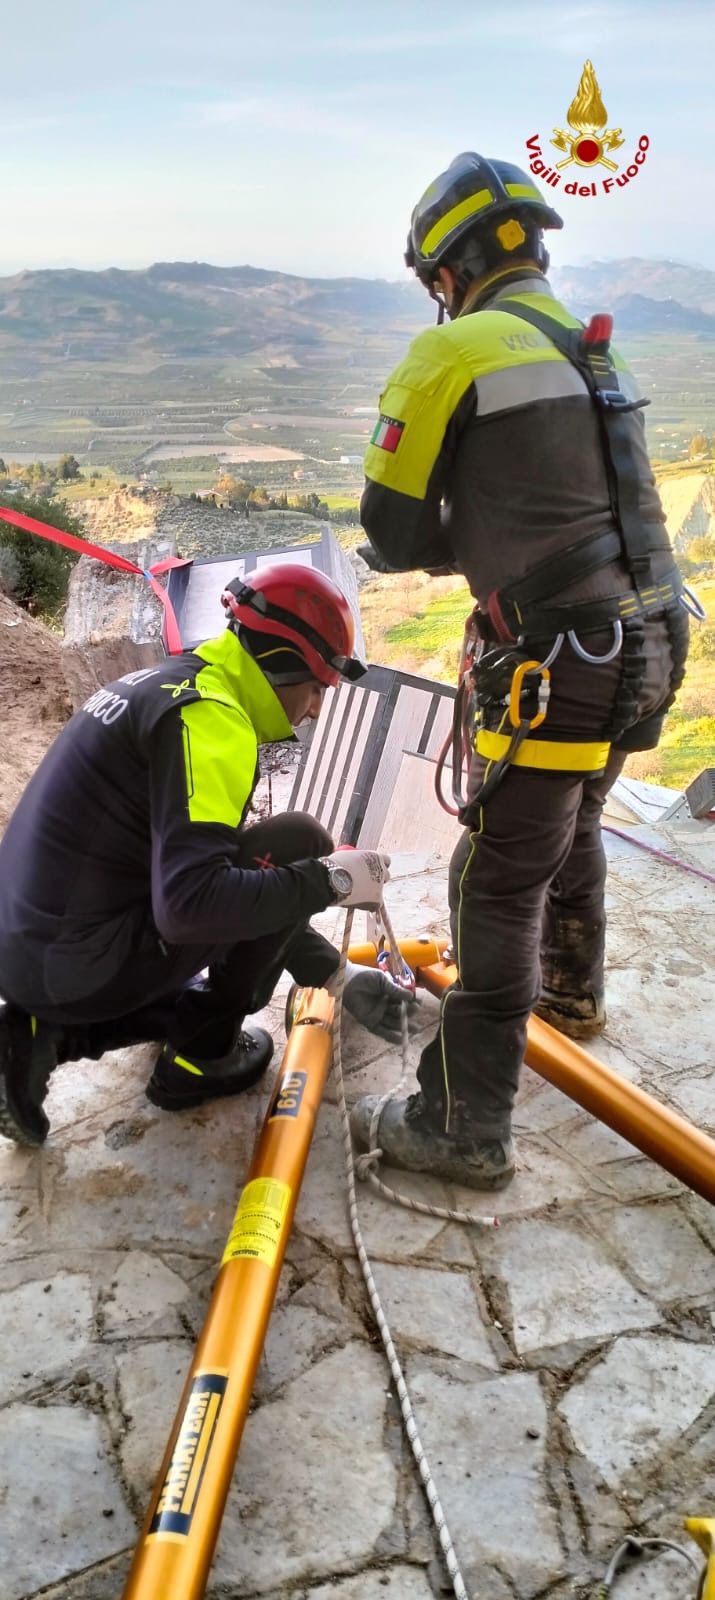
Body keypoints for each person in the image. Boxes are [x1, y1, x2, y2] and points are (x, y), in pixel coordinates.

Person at [351, 151, 688, 1190]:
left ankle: (463, 1123)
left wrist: (471, 540)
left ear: (443, 270)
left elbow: (392, 532)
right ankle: (569, 992)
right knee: (575, 821)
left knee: (492, 880)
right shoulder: (597, 353)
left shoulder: (448, 351)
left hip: (564, 654)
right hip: (654, 636)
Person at [0, 562, 397, 1147]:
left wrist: (332, 974)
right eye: (317, 688)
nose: (315, 709)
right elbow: (192, 907)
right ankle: (200, 1054)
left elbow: (202, 876)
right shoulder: (213, 721)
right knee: (299, 843)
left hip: (32, 948)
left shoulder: (176, 682)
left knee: (261, 871)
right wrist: (330, 880)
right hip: (70, 963)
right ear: (283, 667)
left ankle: (41, 1035)